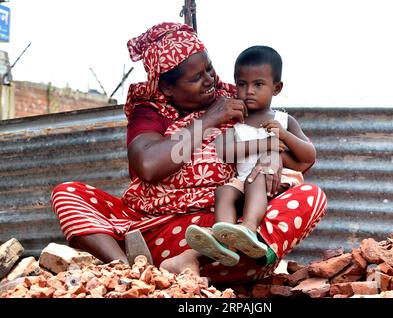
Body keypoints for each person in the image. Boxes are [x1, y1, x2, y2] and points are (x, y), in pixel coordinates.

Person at [50, 22, 327, 284]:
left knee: (310, 196)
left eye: (209, 69)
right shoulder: (150, 112)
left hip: (223, 225)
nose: (209, 81)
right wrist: (207, 121)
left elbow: (288, 151)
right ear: (167, 87)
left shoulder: (236, 99)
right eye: (196, 78)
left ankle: (200, 258)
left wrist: (272, 155)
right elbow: (148, 165)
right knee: (67, 193)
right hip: (152, 228)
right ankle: (130, 272)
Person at [185, 46, 316, 266]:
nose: (249, 91)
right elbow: (225, 152)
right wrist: (268, 144)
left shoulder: (284, 120)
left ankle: (248, 229)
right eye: (242, 84)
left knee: (256, 179)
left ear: (277, 88)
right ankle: (224, 240)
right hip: (243, 181)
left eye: (258, 84)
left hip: (278, 179)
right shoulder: (236, 123)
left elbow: (309, 155)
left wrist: (284, 136)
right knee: (224, 192)